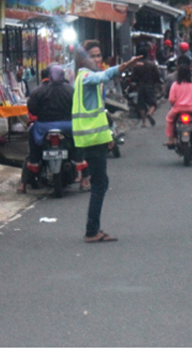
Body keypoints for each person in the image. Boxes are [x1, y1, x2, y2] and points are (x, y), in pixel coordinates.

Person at [73, 41, 142, 243]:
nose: (97, 59)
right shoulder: (86, 77)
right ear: (83, 59)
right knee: (99, 184)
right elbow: (103, 75)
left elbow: (100, 112)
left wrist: (109, 137)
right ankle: (91, 230)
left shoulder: (83, 78)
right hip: (92, 139)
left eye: (99, 55)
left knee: (100, 184)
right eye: (92, 56)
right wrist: (124, 66)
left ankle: (93, 228)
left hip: (95, 138)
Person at [18, 65, 91, 194]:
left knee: (32, 140)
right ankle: (85, 179)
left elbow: (32, 109)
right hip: (68, 126)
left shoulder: (38, 91)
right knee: (79, 144)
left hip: (43, 127)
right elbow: (78, 107)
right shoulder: (70, 90)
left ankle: (32, 166)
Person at [163, 63, 192, 147]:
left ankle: (171, 139)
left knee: (169, 119)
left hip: (177, 108)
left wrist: (174, 104)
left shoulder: (175, 84)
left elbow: (171, 99)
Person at [131, 46, 161, 127]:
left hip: (140, 86)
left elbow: (133, 77)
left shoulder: (137, 66)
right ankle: (150, 113)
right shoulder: (152, 64)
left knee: (141, 105)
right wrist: (156, 82)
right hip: (150, 86)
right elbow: (157, 75)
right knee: (153, 103)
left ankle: (143, 123)